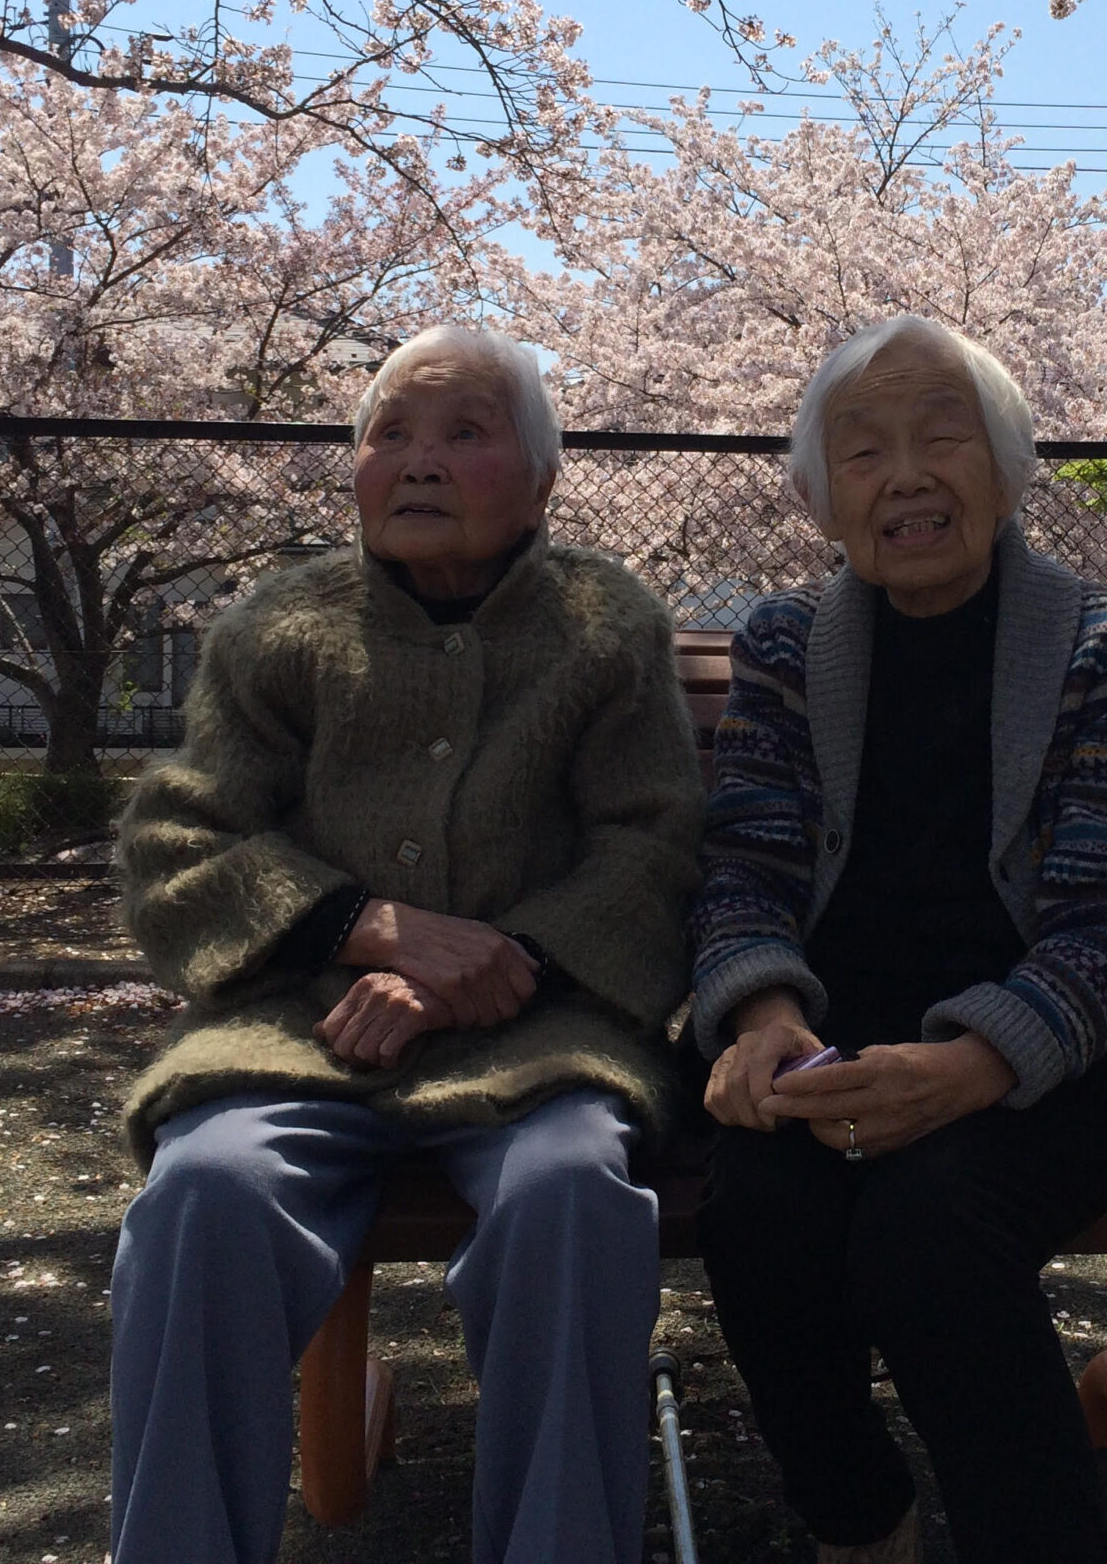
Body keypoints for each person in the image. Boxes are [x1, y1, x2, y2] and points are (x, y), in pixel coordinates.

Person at [107, 325, 705, 1564]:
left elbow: (655, 850)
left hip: (546, 1035)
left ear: (543, 482)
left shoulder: (605, 623)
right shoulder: (280, 625)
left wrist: (496, 967)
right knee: (205, 1192)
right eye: (390, 434)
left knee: (571, 1196)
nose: (418, 462)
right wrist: (364, 926)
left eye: (465, 434)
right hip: (297, 1030)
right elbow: (180, 845)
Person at [689, 315, 1107, 1564]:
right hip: (836, 1036)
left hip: (1068, 1048)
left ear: (1005, 471)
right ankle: (862, 1522)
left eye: (942, 439)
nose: (905, 477)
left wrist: (973, 1064)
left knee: (927, 1226)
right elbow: (744, 868)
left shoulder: (1105, 648)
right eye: (864, 454)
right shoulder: (785, 648)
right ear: (822, 500)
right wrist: (761, 1015)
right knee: (757, 1208)